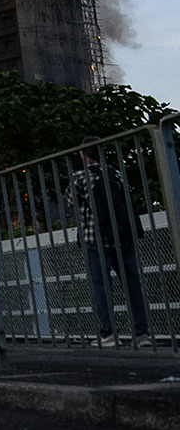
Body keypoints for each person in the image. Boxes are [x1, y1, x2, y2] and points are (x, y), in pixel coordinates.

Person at [67, 137, 152, 348]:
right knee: (132, 284)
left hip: (94, 237)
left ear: (83, 154)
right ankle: (141, 335)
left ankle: (108, 334)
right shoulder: (116, 173)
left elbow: (70, 201)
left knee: (101, 286)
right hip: (122, 236)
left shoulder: (80, 176)